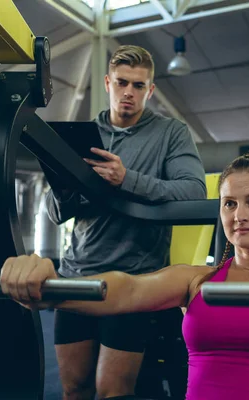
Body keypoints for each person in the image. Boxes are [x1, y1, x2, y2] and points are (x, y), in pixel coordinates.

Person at [4, 154, 249, 400]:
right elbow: (127, 290)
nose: (239, 215)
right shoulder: (197, 281)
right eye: (229, 204)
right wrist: (52, 290)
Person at [44, 45, 207, 399]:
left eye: (138, 85)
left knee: (111, 391)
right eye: (122, 83)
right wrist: (65, 186)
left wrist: (126, 179)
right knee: (74, 388)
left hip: (134, 283)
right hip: (76, 276)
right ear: (107, 83)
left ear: (150, 90)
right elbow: (55, 213)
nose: (129, 93)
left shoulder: (170, 133)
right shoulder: (80, 136)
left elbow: (193, 192)